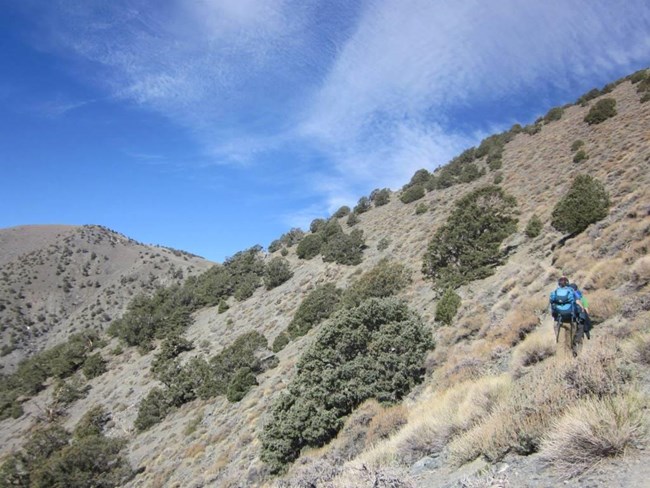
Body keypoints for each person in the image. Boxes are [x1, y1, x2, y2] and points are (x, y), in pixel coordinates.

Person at [550, 276, 582, 356]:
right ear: (567, 283)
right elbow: (578, 301)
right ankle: (568, 361)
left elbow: (551, 304)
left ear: (559, 284)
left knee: (560, 343)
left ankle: (560, 364)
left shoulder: (554, 292)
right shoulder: (571, 291)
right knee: (569, 343)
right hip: (571, 320)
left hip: (558, 321)